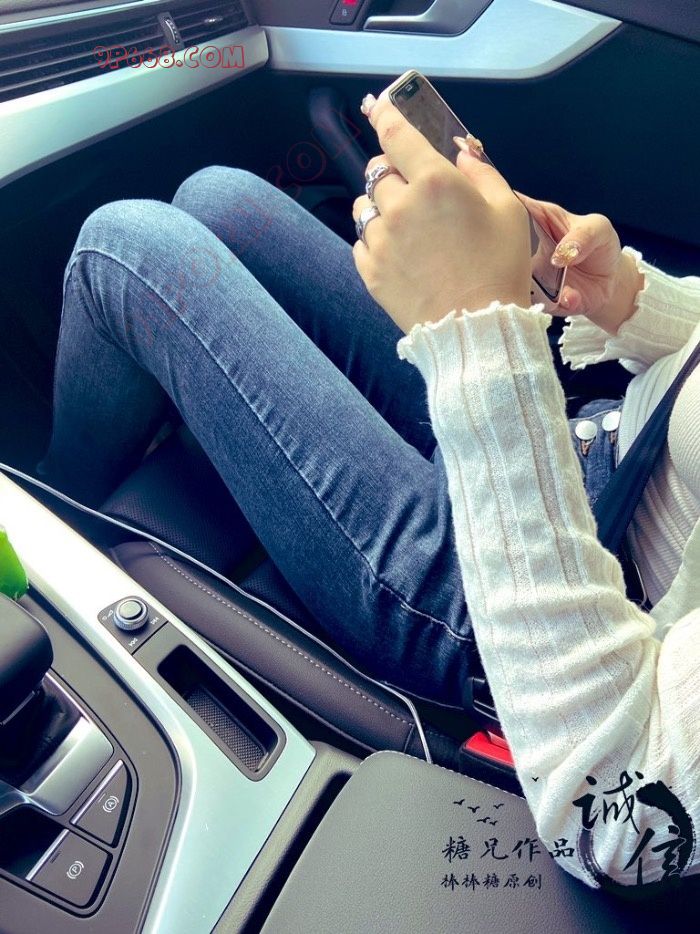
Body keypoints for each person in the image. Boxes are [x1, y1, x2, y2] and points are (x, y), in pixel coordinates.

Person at [39, 85, 698, 891]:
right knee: (221, 199)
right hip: (577, 449)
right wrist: (625, 297)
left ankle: (50, 515)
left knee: (124, 250)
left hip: (524, 606)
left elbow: (622, 817)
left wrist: (478, 326)